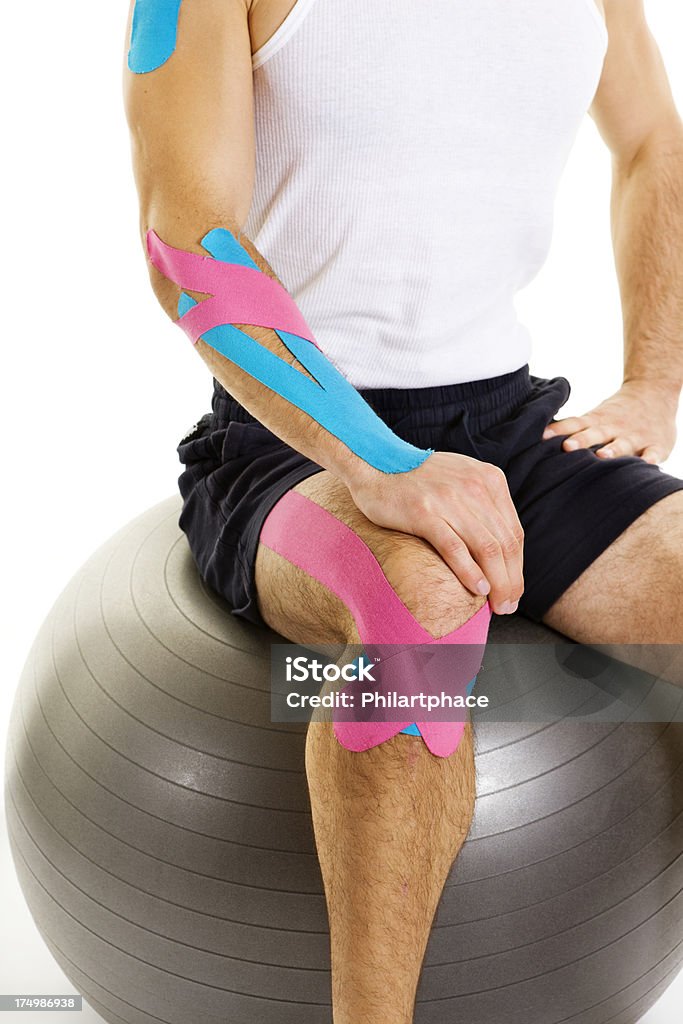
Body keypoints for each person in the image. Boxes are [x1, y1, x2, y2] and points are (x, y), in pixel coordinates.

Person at [124, 1, 683, 1020]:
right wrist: (376, 461)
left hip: (511, 423)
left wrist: (653, 383)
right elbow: (185, 239)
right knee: (414, 611)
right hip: (285, 440)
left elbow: (651, 136)